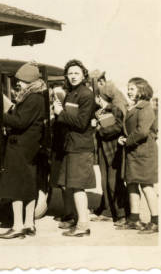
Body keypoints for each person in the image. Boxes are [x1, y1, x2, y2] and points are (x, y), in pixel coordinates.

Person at [0, 62, 46, 239]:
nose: (18, 84)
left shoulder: (32, 99)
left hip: (20, 148)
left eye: (20, 81)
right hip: (29, 148)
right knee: (28, 187)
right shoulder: (37, 97)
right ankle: (29, 224)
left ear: (29, 81)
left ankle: (17, 227)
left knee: (16, 187)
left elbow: (20, 122)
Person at [53, 59, 97, 237]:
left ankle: (83, 226)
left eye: (76, 73)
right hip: (71, 146)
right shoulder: (72, 93)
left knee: (78, 187)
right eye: (70, 73)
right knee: (70, 186)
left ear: (83, 74)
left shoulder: (86, 94)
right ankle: (77, 221)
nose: (73, 76)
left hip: (80, 147)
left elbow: (80, 123)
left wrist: (60, 114)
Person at [116, 77, 158, 234]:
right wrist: (123, 138)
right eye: (128, 88)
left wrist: (127, 141)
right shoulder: (134, 107)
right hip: (134, 153)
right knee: (132, 184)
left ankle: (155, 221)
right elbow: (131, 129)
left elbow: (142, 131)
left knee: (147, 186)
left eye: (132, 89)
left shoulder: (145, 107)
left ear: (141, 90)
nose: (128, 91)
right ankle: (134, 219)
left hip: (143, 153)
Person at [92, 82, 130, 224]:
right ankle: (108, 212)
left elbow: (119, 126)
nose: (97, 99)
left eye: (99, 96)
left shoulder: (115, 109)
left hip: (114, 150)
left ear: (102, 97)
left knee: (114, 182)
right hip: (103, 149)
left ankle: (122, 213)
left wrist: (100, 130)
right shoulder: (99, 111)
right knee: (104, 182)